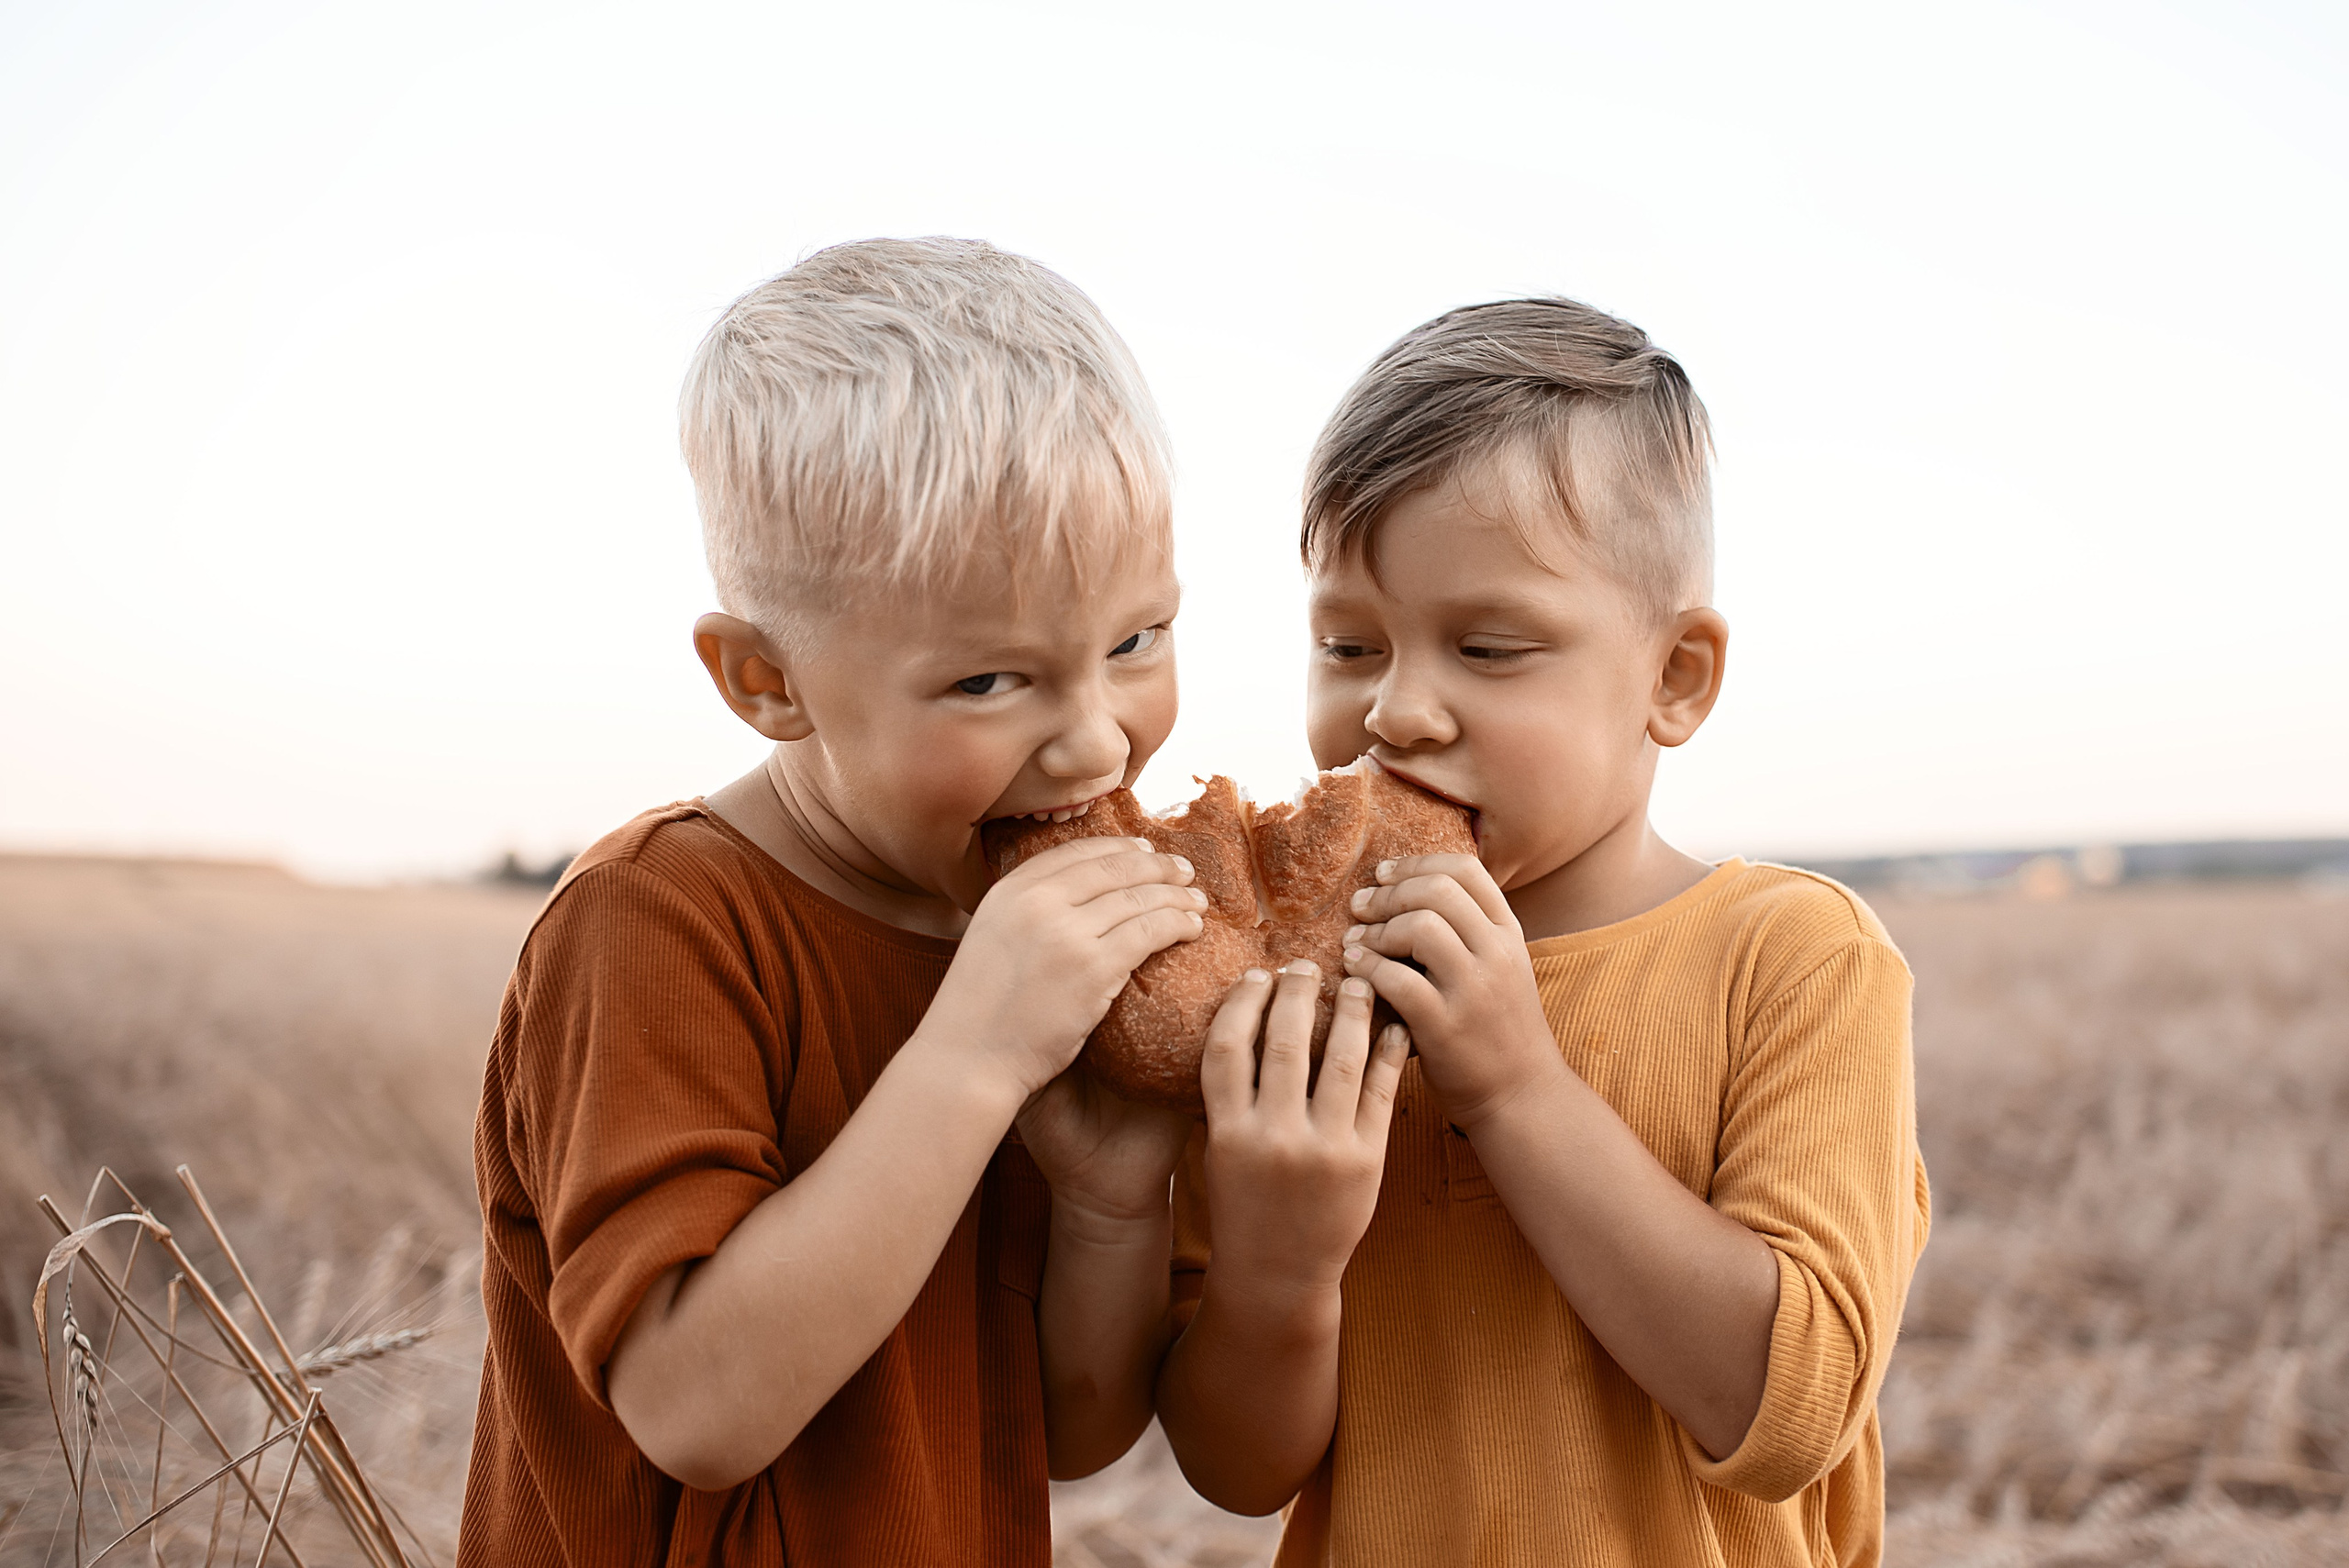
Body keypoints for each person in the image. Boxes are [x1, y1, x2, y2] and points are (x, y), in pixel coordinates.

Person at [459, 237, 1213, 1566]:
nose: (1097, 743)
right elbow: (696, 1406)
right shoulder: (657, 921)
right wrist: (976, 1053)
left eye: (1135, 641)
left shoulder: (1022, 944)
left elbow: (1066, 1434)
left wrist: (1107, 1204)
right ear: (765, 679)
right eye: (989, 682)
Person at [1155, 298, 1932, 1566]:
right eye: (1349, 643)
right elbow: (1238, 1470)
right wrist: (1282, 1276)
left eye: (1490, 646)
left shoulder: (1797, 958)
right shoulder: (1295, 991)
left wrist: (1516, 1083)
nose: (1395, 710)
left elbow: (1785, 1405)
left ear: (1674, 677)